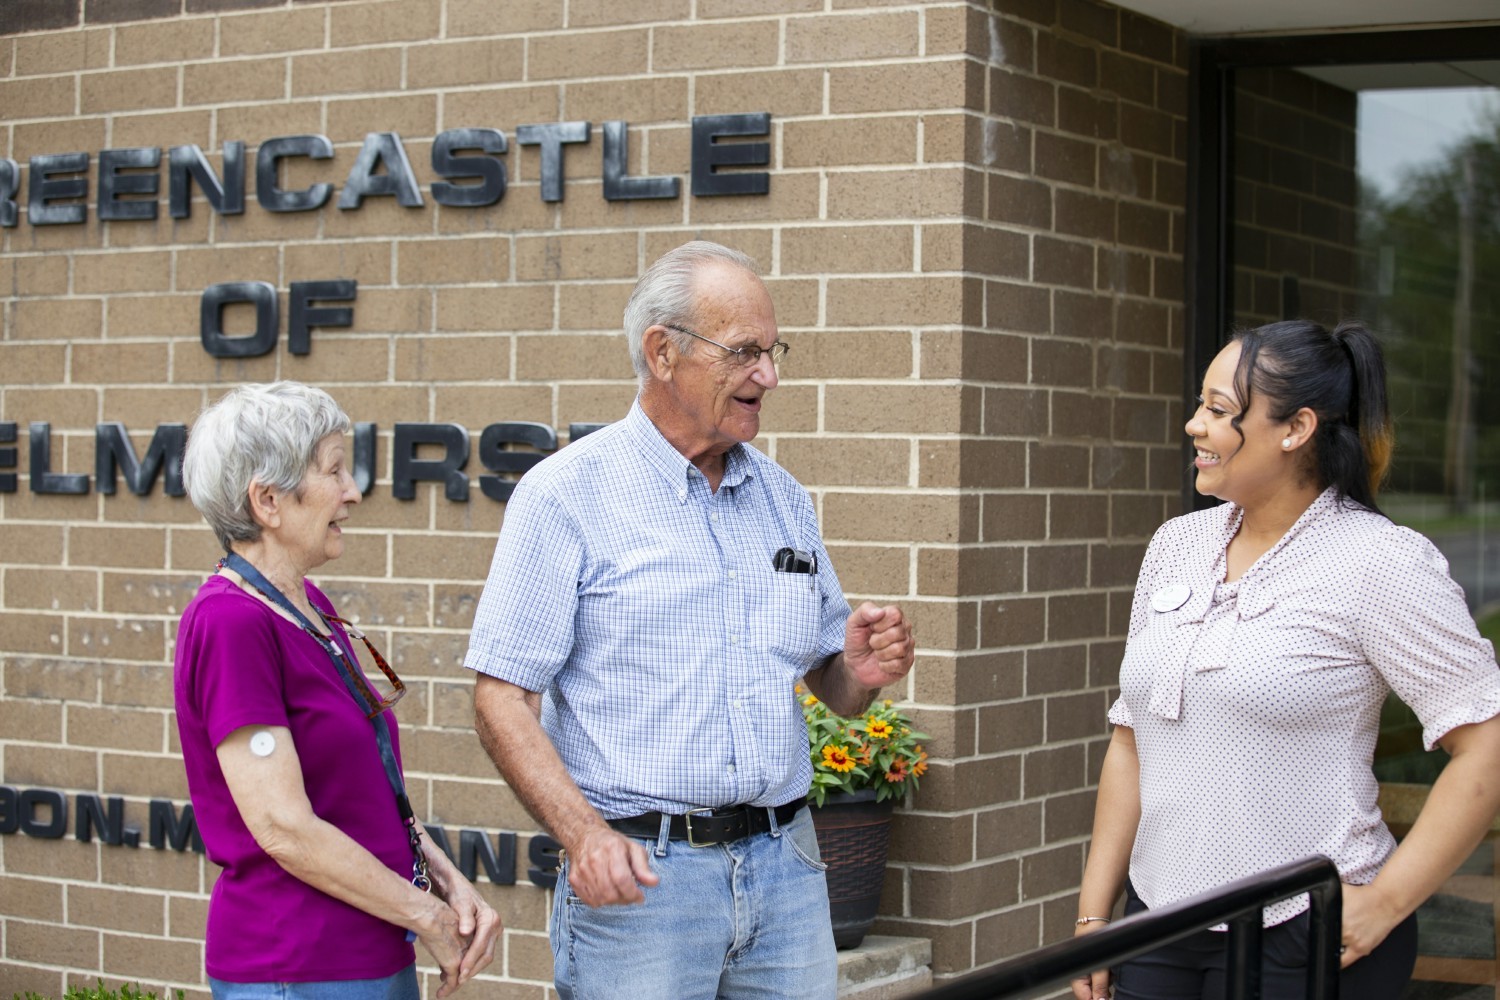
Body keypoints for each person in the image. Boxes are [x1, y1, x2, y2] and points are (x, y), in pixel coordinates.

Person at [465, 241, 915, 1000]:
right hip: (646, 886)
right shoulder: (566, 495)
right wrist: (584, 837)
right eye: (744, 353)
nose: (767, 376)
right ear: (662, 352)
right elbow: (500, 696)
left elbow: (833, 686)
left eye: (772, 353)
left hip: (786, 870)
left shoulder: (783, 498)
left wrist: (858, 673)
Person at [1070, 320, 1500, 1000]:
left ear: (1295, 428)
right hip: (1158, 921)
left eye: (1218, 410)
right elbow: (1131, 741)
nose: (1193, 426)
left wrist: (1386, 902)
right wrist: (1096, 916)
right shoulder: (1175, 545)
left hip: (1305, 928)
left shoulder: (1379, 562)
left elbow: (1487, 744)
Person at [175, 381, 500, 1000]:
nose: (352, 491)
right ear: (268, 500)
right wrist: (426, 917)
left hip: (370, 948)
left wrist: (444, 881)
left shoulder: (306, 605)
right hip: (298, 964)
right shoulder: (231, 622)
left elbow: (359, 794)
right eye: (333, 471)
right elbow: (283, 827)